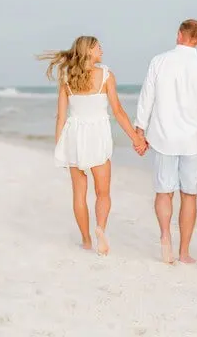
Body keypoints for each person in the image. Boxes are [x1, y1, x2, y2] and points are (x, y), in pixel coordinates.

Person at [39, 36, 147, 255]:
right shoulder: (106, 75)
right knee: (103, 192)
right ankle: (100, 229)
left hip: (74, 137)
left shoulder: (67, 77)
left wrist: (60, 145)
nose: (102, 51)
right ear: (88, 50)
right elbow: (118, 111)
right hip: (97, 136)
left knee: (79, 193)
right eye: (98, 47)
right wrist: (136, 139)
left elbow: (60, 117)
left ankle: (86, 240)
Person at [135, 19, 197, 264]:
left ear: (178, 35)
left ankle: (165, 237)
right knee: (189, 194)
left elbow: (147, 96)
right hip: (192, 139)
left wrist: (140, 128)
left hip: (163, 135)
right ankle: (184, 252)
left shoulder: (159, 61)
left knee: (164, 191)